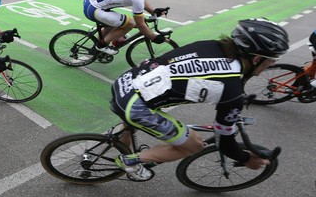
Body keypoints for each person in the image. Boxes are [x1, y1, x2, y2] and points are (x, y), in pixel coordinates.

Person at [111, 18, 290, 180]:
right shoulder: (231, 90)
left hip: (127, 81)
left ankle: (121, 136)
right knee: (194, 145)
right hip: (135, 105)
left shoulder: (211, 45)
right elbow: (224, 142)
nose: (272, 64)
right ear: (257, 59)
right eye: (271, 60)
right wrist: (245, 159)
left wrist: (236, 98)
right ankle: (129, 160)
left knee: (143, 116)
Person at [83, 0, 172, 55]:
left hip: (92, 2)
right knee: (130, 23)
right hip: (94, 9)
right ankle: (101, 46)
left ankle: (96, 48)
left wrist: (153, 12)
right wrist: (154, 37)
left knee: (116, 22)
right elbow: (140, 25)